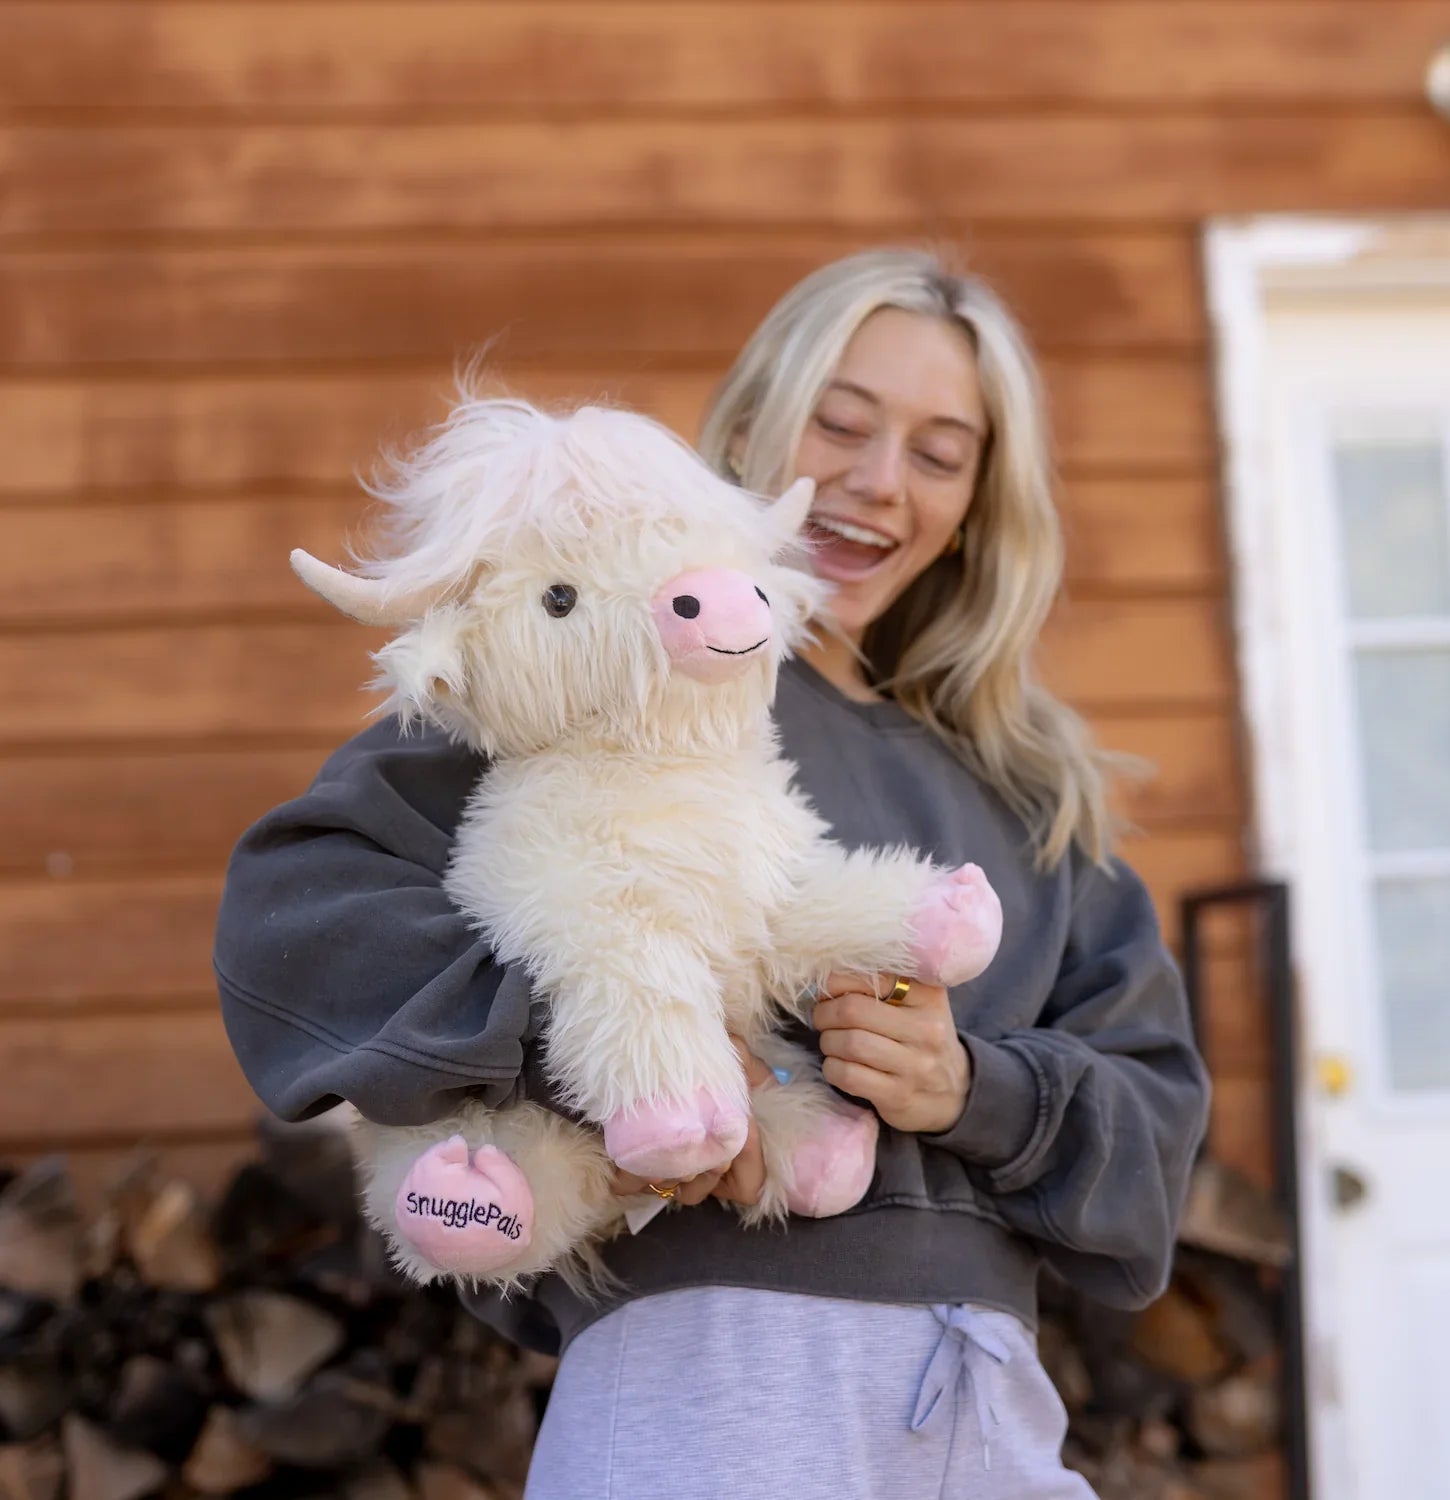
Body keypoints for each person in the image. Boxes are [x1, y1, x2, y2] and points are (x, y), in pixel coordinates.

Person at [215, 248, 1210, 1498]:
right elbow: (299, 910)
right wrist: (618, 1048)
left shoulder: (1026, 791)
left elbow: (1155, 1131)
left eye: (940, 454)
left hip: (983, 1404)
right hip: (707, 1386)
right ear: (746, 426)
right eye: (840, 424)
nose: (877, 482)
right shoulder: (620, 669)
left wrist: (974, 1088)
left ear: (980, 503)